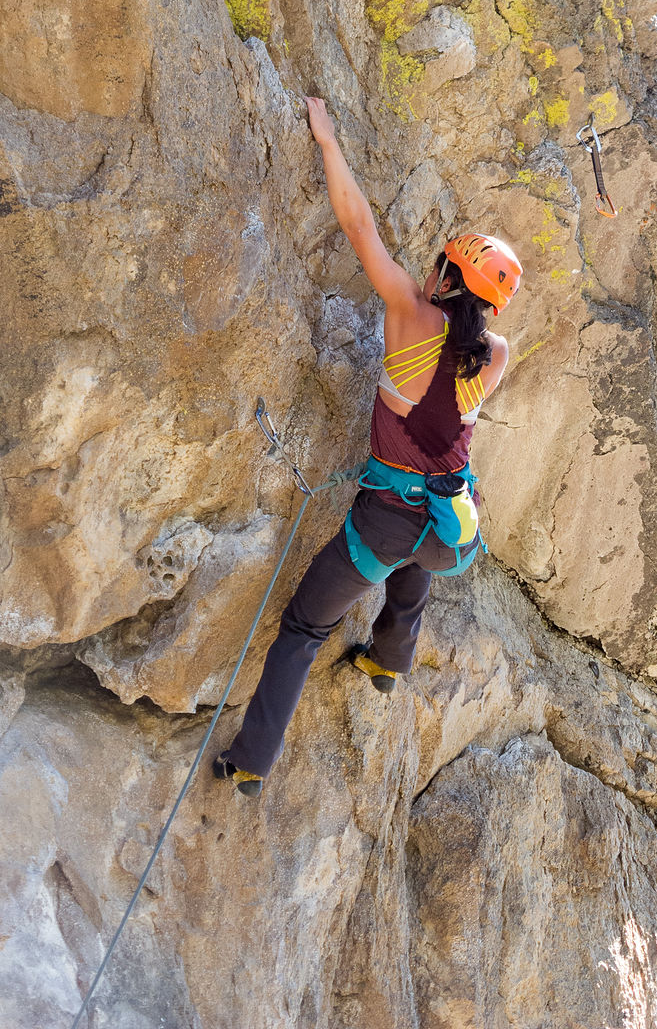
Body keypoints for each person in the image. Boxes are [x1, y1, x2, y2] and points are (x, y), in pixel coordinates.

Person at [214, 97, 523, 796]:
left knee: (303, 626)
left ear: (445, 276)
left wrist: (327, 139)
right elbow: (451, 411)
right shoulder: (497, 353)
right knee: (420, 558)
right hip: (453, 530)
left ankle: (253, 762)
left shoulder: (409, 312)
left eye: (440, 264)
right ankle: (389, 660)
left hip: (386, 521)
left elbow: (358, 223)